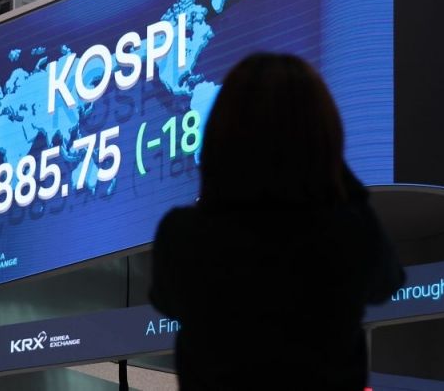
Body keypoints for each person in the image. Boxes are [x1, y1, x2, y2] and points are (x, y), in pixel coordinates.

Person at [149, 52, 405, 390]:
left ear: (218, 134)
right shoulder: (346, 232)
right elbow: (387, 282)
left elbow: (164, 299)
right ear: (323, 134)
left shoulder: (183, 236)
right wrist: (331, 165)